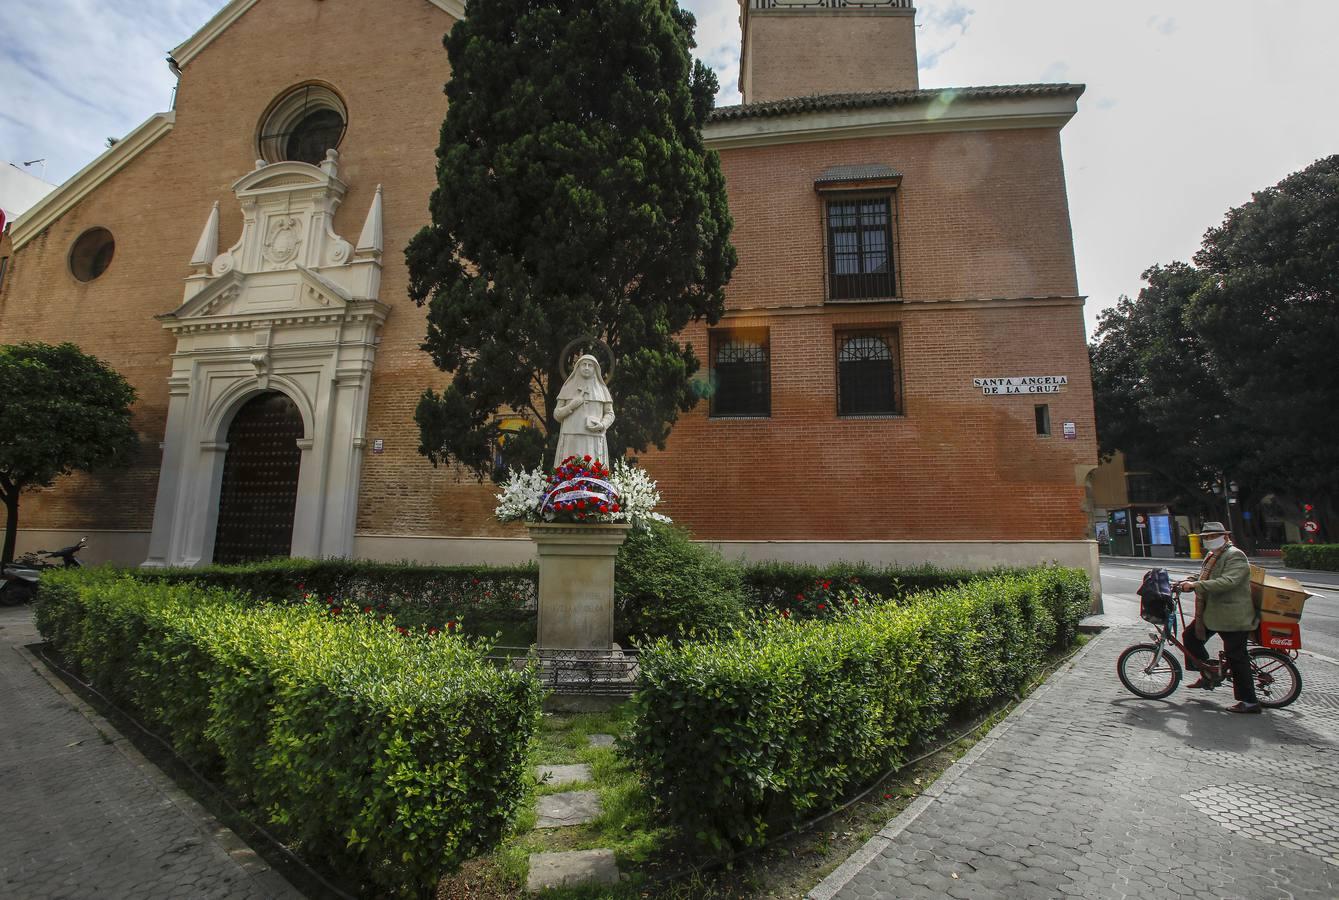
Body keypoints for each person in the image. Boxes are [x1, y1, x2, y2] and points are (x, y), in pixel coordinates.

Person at [1176, 521, 1261, 713]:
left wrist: (1197, 586)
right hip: (1214, 614)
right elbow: (1204, 577)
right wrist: (1189, 581)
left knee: (1236, 657)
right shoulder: (1212, 555)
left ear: (1224, 536)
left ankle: (1250, 702)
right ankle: (1209, 674)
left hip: (1233, 616)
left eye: (1212, 537)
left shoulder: (1235, 555)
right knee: (1190, 637)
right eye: (1206, 537)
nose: (1208, 540)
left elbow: (1228, 581)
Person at [553, 354, 614, 466]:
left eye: (590, 365)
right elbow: (557, 415)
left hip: (593, 438)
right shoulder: (567, 387)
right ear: (578, 367)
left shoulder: (602, 389)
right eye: (583, 365)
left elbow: (610, 413)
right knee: (569, 468)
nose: (586, 367)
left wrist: (602, 425)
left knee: (593, 469)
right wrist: (571, 406)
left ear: (595, 368)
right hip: (571, 437)